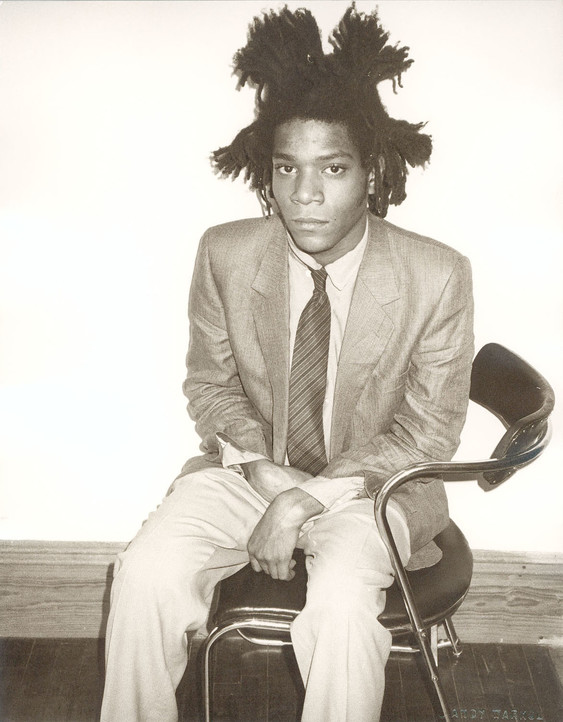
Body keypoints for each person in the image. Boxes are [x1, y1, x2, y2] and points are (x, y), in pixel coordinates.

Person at [100, 5, 474, 721]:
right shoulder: (225, 253)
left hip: (375, 487)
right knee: (143, 574)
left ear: (370, 174)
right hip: (251, 469)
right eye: (286, 169)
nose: (305, 195)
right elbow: (209, 385)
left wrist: (301, 500)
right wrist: (258, 469)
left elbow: (427, 436)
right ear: (266, 175)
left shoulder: (437, 275)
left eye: (332, 169)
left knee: (336, 608)